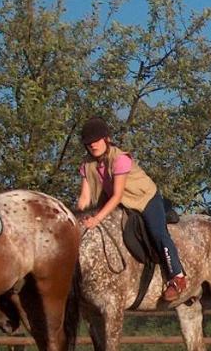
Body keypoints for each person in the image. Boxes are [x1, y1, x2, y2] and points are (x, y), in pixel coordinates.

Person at [76, 116, 188, 303]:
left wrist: (96, 219)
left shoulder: (120, 159)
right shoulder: (86, 165)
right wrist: (77, 219)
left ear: (106, 139)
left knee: (158, 233)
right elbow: (84, 199)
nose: (93, 145)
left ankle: (177, 277)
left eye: (96, 140)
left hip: (144, 199)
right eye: (88, 143)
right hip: (120, 204)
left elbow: (117, 196)